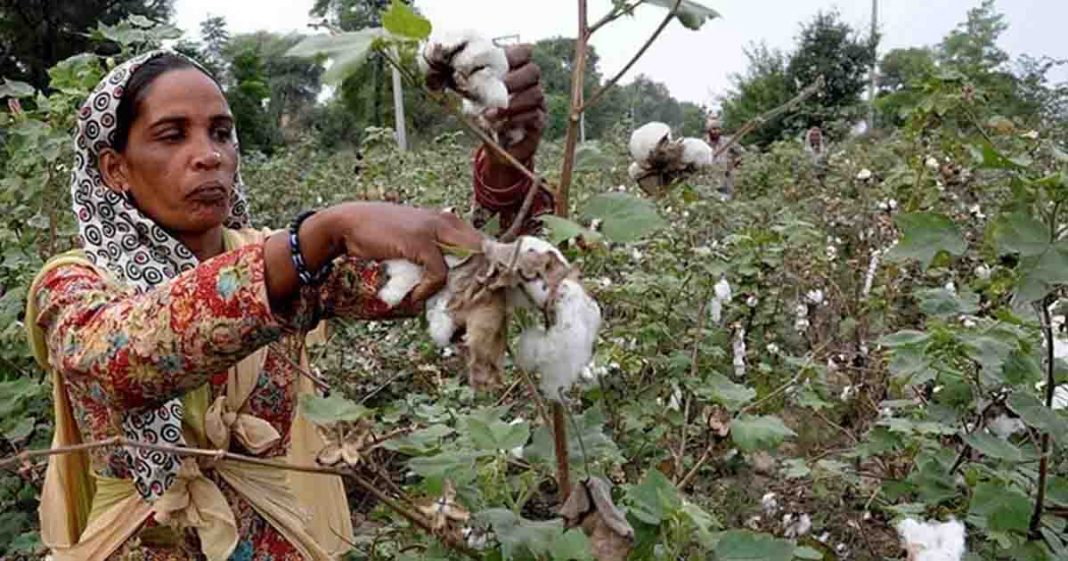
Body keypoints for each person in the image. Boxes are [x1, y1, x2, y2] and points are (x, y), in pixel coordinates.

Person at [24, 45, 546, 561]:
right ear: (116, 170)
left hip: (273, 539)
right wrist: (318, 236)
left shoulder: (285, 265)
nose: (208, 154)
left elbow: (456, 276)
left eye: (222, 133)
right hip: (135, 545)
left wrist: (506, 170)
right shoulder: (74, 283)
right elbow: (116, 360)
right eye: (172, 134)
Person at [705, 115, 742, 197]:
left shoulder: (727, 142)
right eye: (713, 129)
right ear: (708, 130)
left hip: (726, 179)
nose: (716, 131)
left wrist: (735, 163)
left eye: (718, 129)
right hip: (709, 180)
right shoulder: (703, 144)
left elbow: (742, 153)